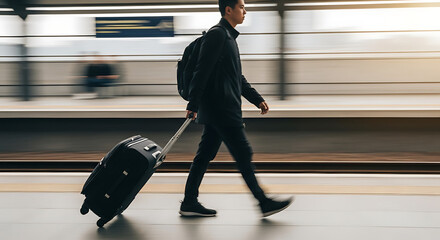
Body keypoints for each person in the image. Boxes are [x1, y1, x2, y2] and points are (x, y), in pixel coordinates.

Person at [180, 0, 293, 218]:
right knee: (243, 153)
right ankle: (263, 202)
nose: (245, 11)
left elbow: (236, 77)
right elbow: (201, 71)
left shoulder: (229, 37)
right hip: (222, 109)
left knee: (204, 156)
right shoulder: (218, 35)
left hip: (220, 108)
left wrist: (256, 99)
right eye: (241, 7)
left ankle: (189, 201)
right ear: (228, 10)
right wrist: (192, 104)